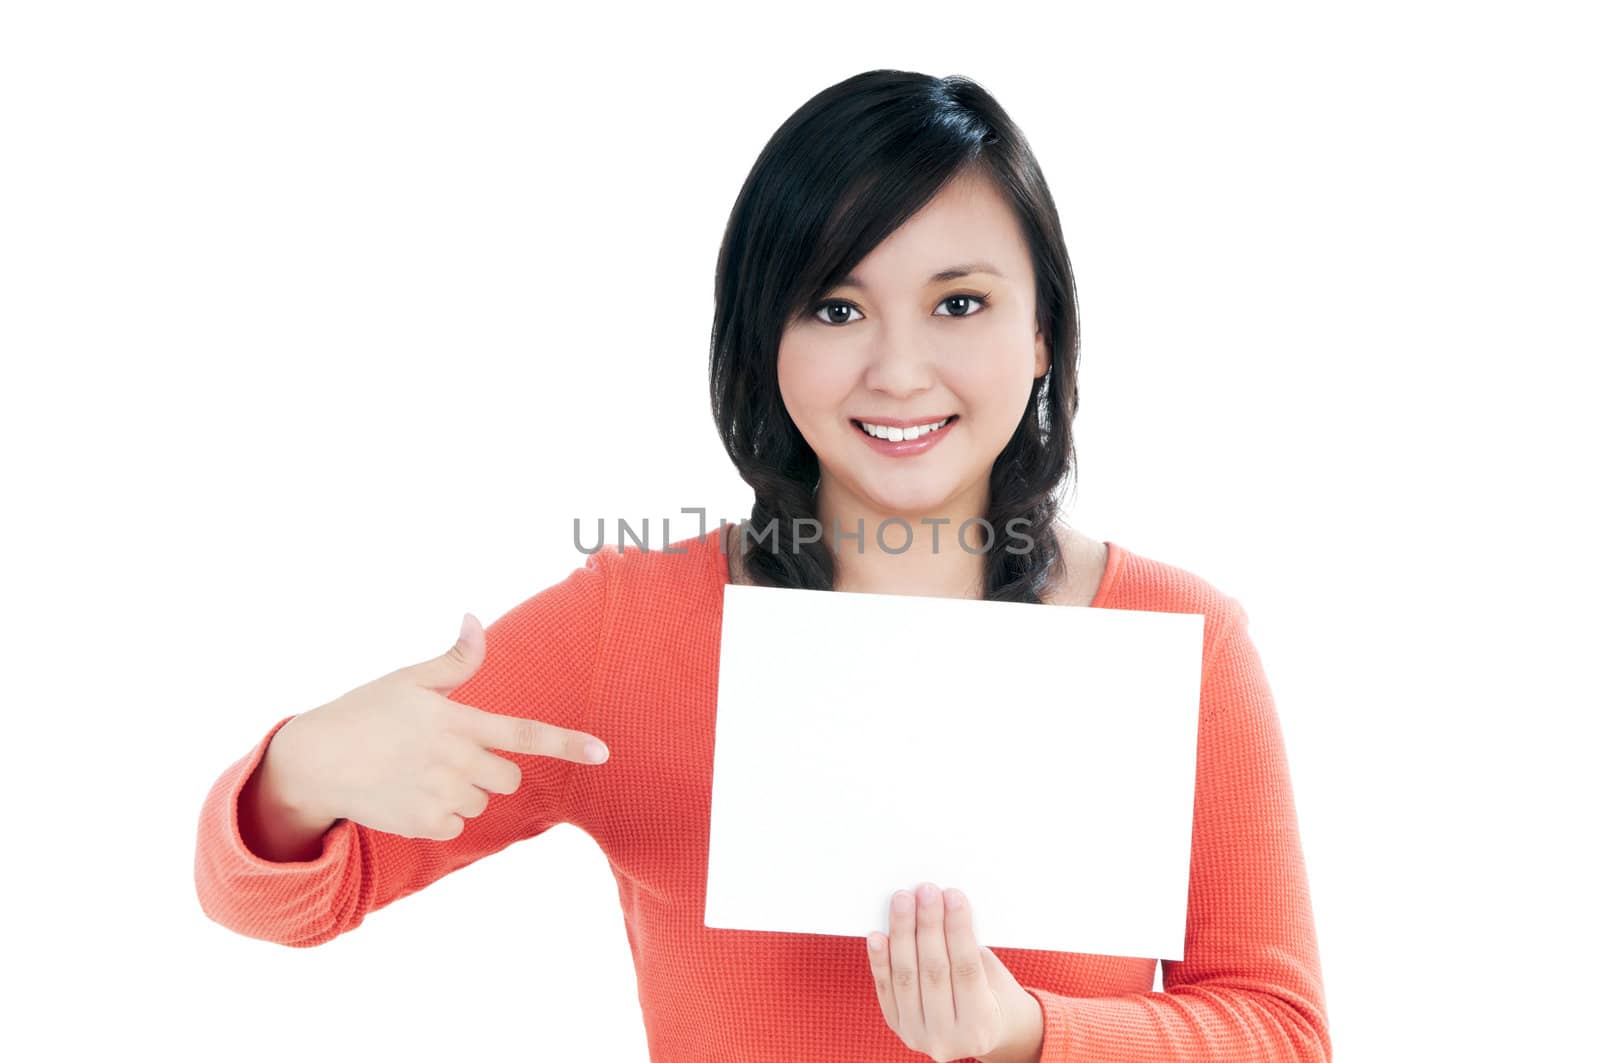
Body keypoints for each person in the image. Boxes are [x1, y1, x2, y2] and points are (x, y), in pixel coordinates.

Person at [194, 69, 1330, 1062]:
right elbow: (280, 900)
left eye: (960, 303)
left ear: (1041, 335)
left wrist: (1029, 1034)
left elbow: (1281, 1032)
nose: (896, 368)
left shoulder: (1176, 637)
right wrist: (298, 772)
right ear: (761, 337)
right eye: (835, 306)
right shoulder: (631, 628)